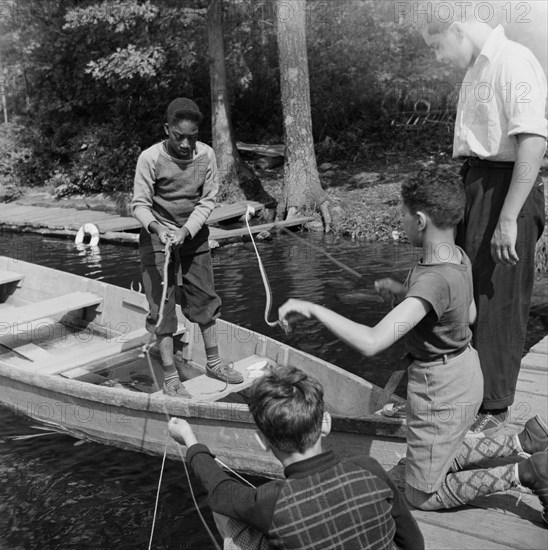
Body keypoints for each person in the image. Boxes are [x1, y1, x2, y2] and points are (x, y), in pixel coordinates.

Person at [278, 167, 548, 518]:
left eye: (402, 215)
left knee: (421, 495)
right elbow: (465, 315)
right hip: (467, 373)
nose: (401, 221)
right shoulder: (459, 257)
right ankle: (526, 440)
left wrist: (313, 308)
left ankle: (526, 472)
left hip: (441, 391)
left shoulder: (432, 278)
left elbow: (374, 341)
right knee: (445, 453)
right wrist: (408, 297)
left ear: (420, 219)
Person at [416, 0, 547, 435]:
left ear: (457, 27)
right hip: (476, 184)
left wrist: (508, 217)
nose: (438, 58)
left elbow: (532, 142)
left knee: (500, 300)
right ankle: (469, 395)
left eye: (437, 47)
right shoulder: (475, 71)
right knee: (466, 292)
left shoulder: (513, 60)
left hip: (507, 188)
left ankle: (494, 411)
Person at [168, 365, 424, 550]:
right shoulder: (370, 468)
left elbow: (219, 490)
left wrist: (190, 441)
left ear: (262, 441)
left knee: (231, 520)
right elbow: (414, 543)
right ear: (325, 423)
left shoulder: (269, 502)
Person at [132, 97, 243, 398]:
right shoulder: (150, 158)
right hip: (156, 236)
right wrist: (159, 229)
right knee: (162, 309)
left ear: (197, 133)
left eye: (191, 137)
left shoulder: (205, 156)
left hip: (192, 235)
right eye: (178, 136)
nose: (184, 144)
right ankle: (170, 376)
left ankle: (215, 363)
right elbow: (139, 205)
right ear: (167, 129)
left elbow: (208, 199)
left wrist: (186, 230)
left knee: (205, 299)